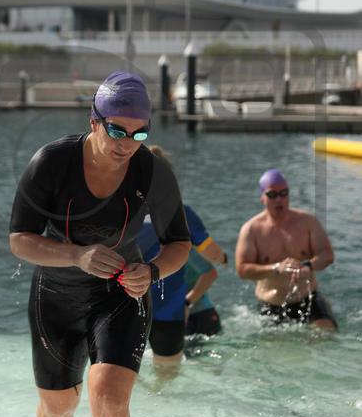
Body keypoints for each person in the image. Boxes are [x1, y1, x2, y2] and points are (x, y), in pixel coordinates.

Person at [9, 71, 191, 417]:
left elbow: (179, 245)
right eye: (117, 130)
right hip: (56, 295)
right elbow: (20, 240)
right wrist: (76, 255)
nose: (127, 143)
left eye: (139, 133)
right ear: (94, 121)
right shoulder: (52, 162)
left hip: (121, 294)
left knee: (109, 399)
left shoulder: (153, 171)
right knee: (59, 407)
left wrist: (151, 271)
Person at [138, 146, 226, 370]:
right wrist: (223, 258)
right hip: (168, 311)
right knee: (167, 375)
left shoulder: (118, 212)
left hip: (125, 306)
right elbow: (212, 254)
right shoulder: (181, 213)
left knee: (119, 372)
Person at [235, 168, 336, 330]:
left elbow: (327, 254)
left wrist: (308, 266)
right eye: (272, 195)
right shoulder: (251, 230)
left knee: (326, 333)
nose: (279, 199)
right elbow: (242, 270)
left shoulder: (308, 222)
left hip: (308, 299)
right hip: (271, 304)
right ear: (262, 197)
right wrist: (275, 268)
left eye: (284, 193)